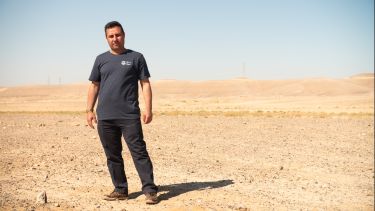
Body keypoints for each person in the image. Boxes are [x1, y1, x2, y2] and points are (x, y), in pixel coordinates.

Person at [86, 21, 158, 204]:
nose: (115, 39)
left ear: (123, 35)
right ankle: (120, 189)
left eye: (117, 35)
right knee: (113, 154)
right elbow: (94, 86)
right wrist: (89, 110)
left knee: (138, 152)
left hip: (129, 115)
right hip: (106, 116)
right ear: (106, 38)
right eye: (111, 36)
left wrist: (148, 108)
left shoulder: (136, 57)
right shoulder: (100, 59)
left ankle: (150, 190)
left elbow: (145, 84)